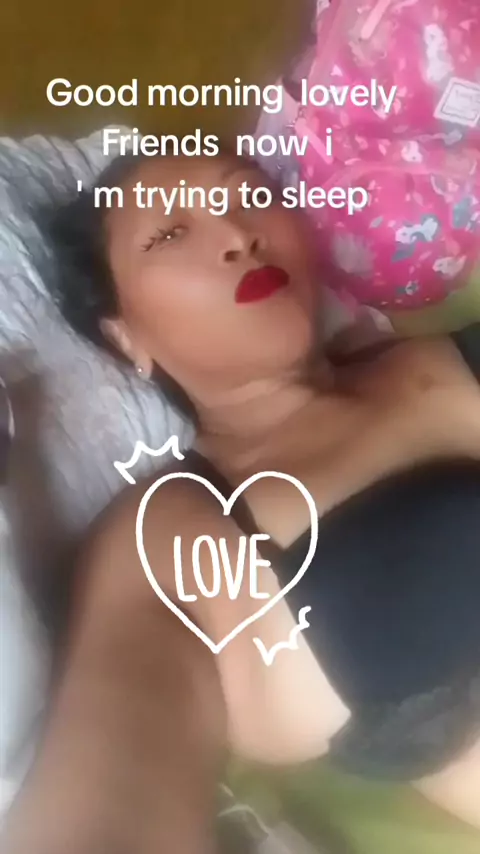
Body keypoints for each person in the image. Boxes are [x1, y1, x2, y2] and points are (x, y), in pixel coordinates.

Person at [2, 150, 480, 853]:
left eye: (250, 196)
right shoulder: (175, 530)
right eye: (170, 234)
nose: (235, 234)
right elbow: (109, 803)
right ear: (124, 336)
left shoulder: (427, 353)